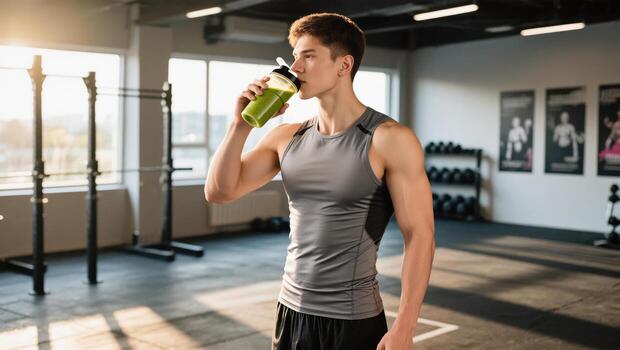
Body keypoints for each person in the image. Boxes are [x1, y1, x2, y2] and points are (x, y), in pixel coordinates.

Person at [205, 13, 435, 350]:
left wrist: (405, 326)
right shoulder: (287, 137)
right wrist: (239, 125)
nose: (295, 67)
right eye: (295, 56)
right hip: (290, 311)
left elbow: (421, 235)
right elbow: (219, 192)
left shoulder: (388, 139)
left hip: (352, 320)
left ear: (344, 65)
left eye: (308, 56)